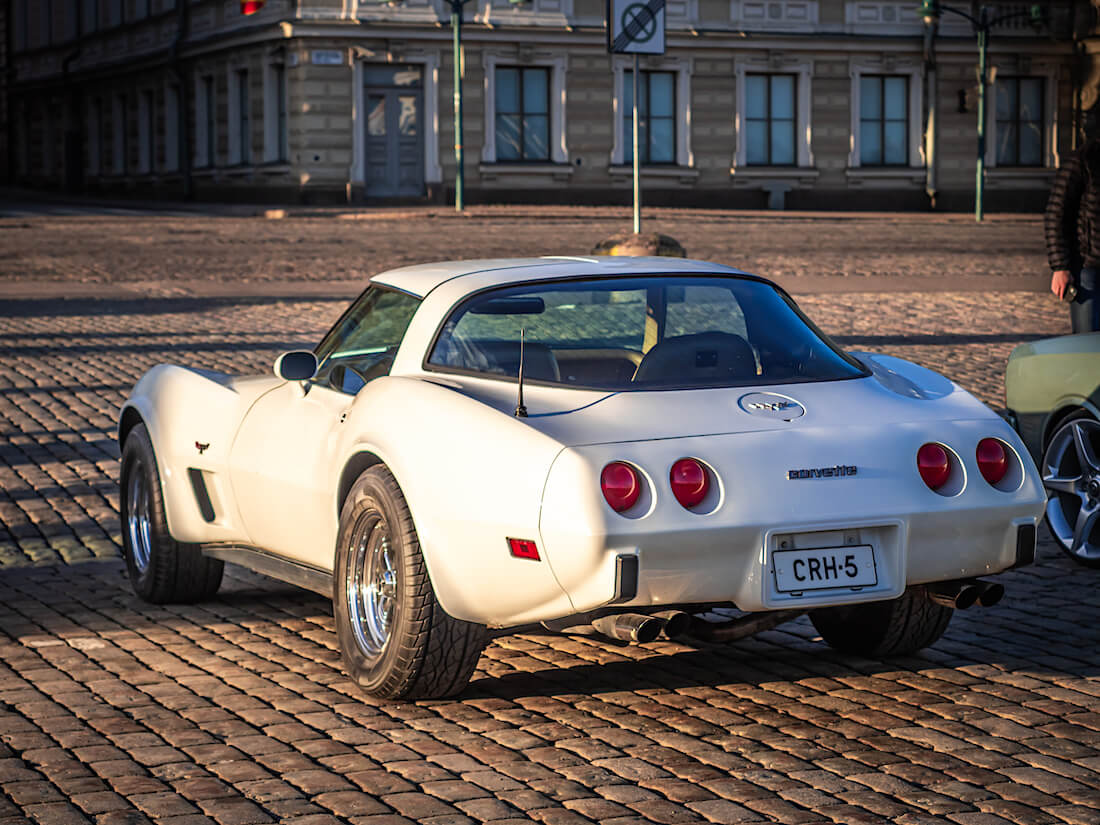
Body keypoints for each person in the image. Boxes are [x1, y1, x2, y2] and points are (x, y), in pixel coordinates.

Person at [1045, 134, 1100, 333]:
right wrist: (1060, 267)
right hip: (1088, 271)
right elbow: (1056, 214)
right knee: (1086, 345)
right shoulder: (1082, 160)